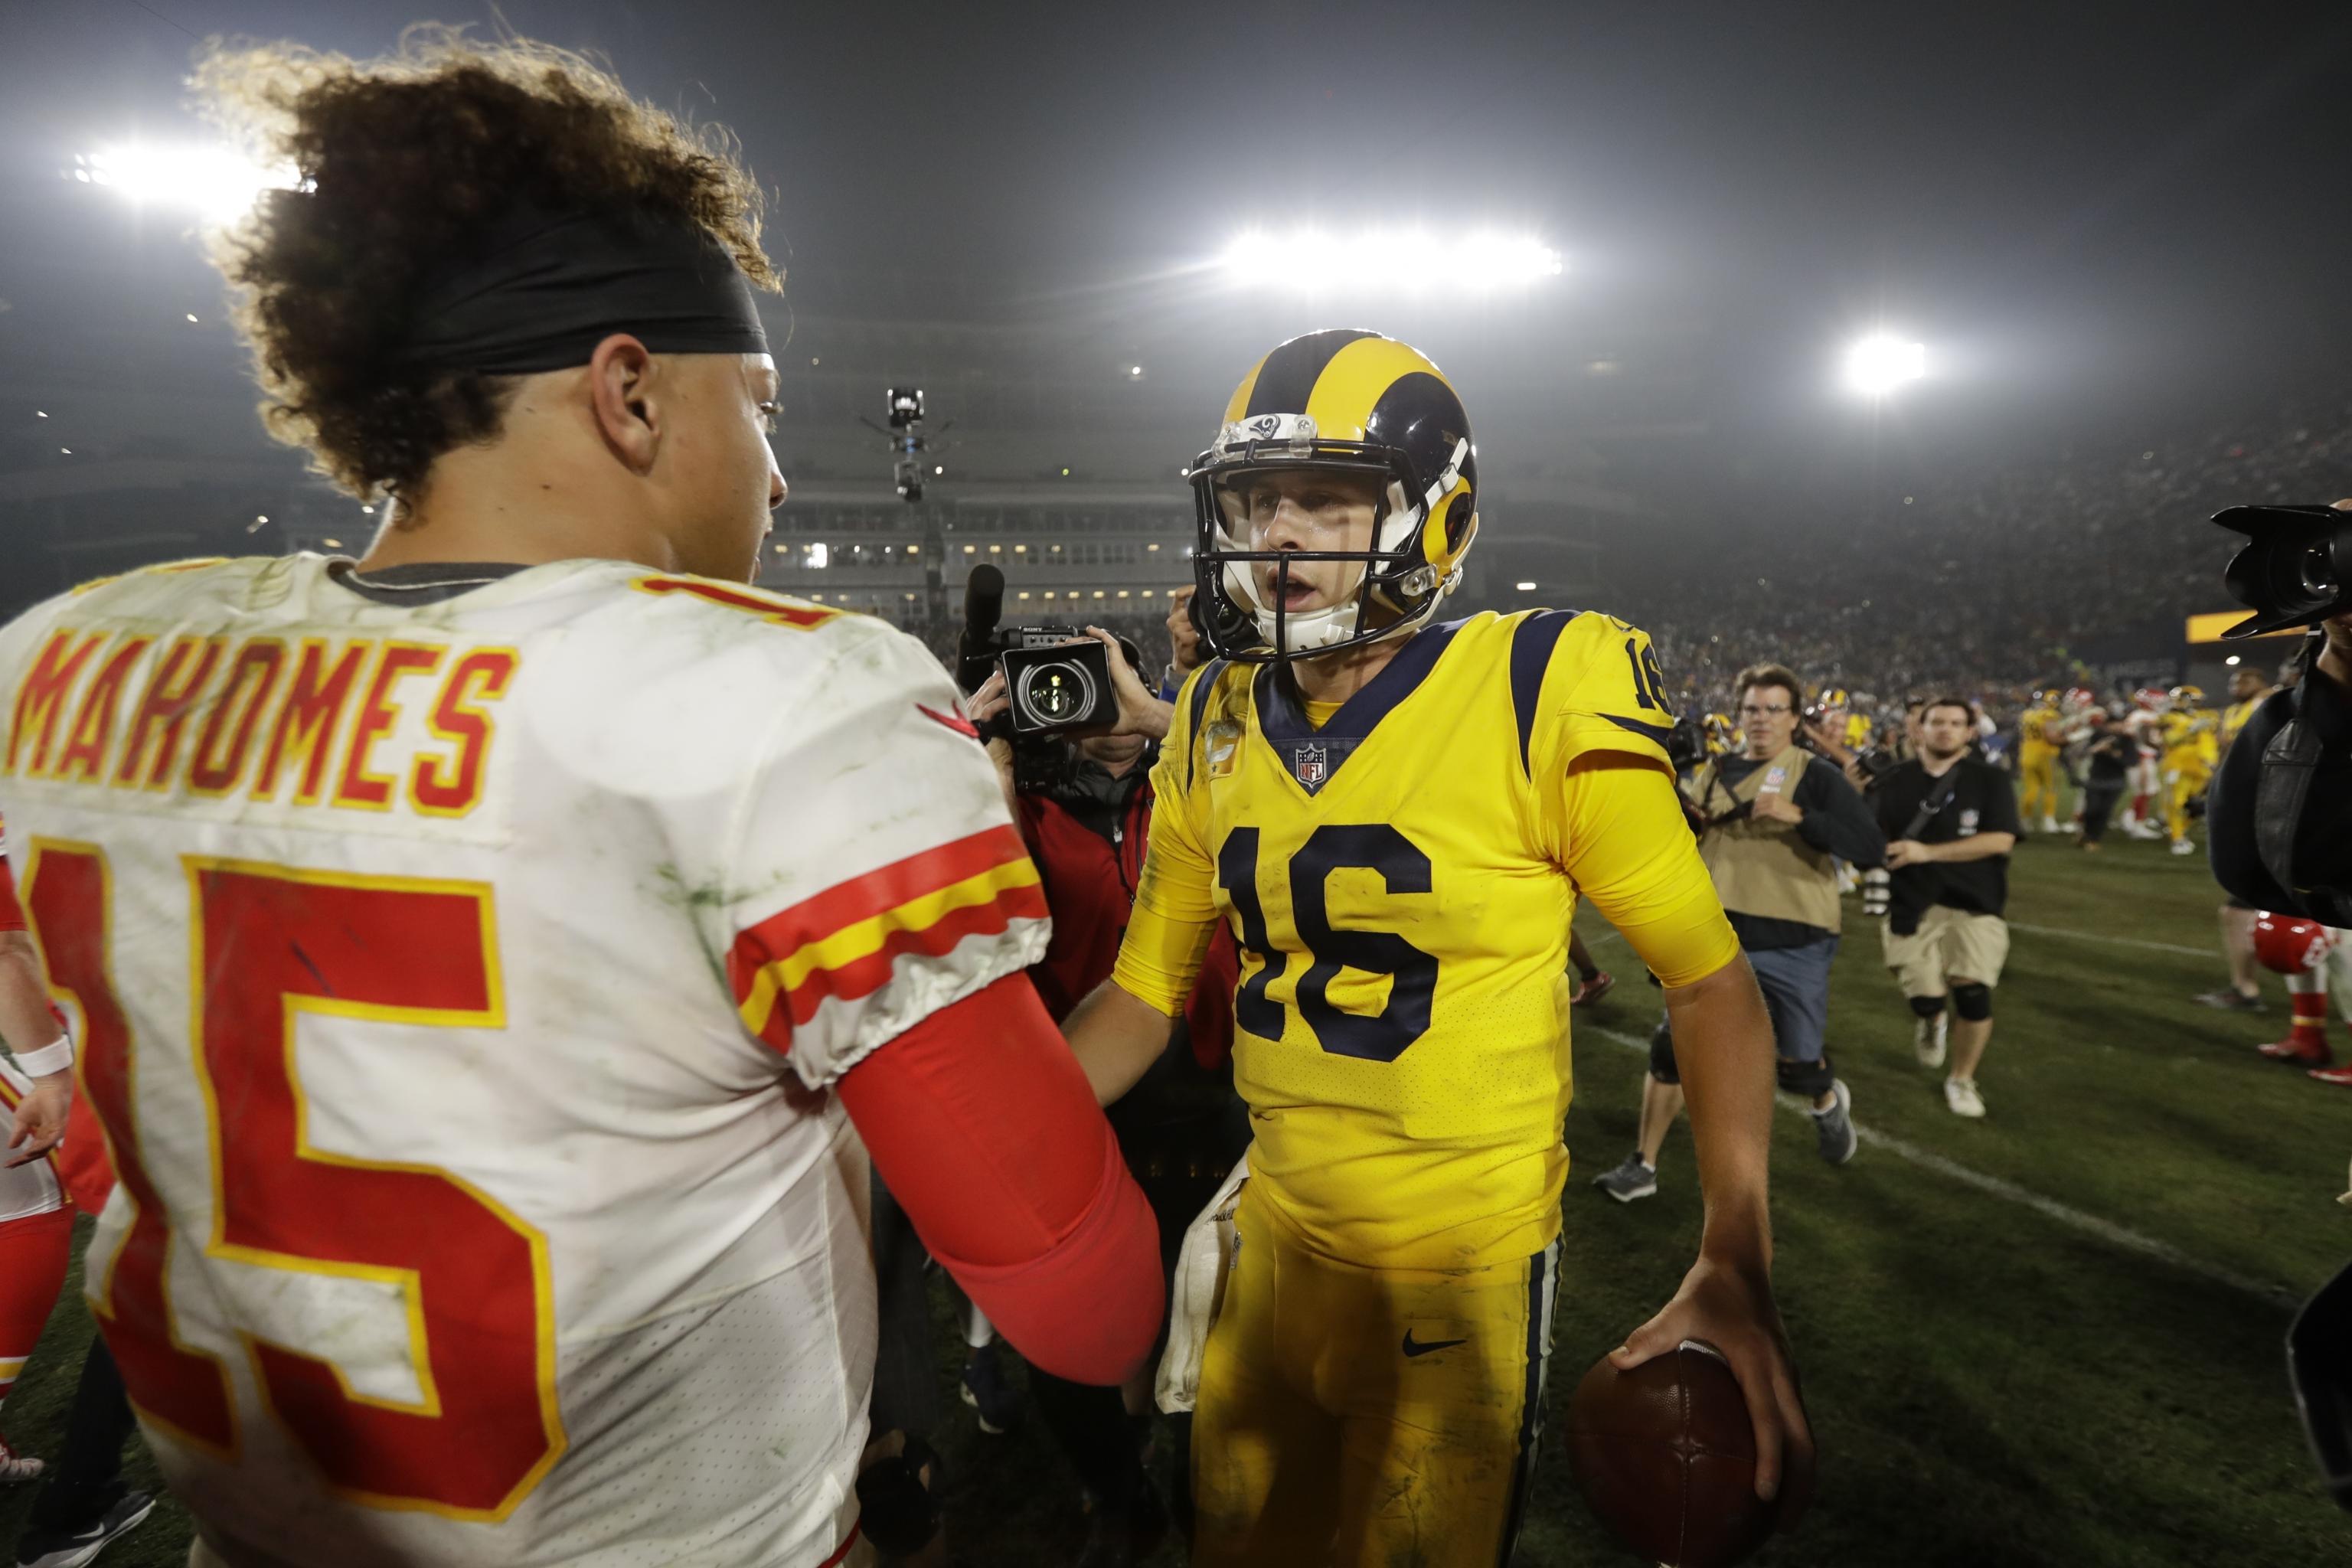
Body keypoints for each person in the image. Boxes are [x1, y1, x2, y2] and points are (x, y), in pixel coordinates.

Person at [0, 32, 1161, 1566]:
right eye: (753, 404)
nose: (779, 471)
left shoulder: (67, 659)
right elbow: (1081, 1304)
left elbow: (80, 1123)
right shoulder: (778, 698)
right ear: (629, 393)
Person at [1057, 330, 1813, 1566]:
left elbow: (1706, 974)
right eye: (1255, 502)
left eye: (1324, 499)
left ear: (1431, 513)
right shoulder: (1211, 713)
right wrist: (996, 1112)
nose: (1279, 535)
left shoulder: (1536, 685)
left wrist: (1733, 1241)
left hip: (1453, 1281)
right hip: (1273, 1242)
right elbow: (1140, 995)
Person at [1598, 662, 1886, 1200]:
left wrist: (1802, 816)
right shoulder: (1711, 773)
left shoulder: (1816, 775)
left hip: (1795, 938)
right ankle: (1643, 1165)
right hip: (1713, 935)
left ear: (1795, 718)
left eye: (1774, 709)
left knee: (1796, 1068)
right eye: (1752, 708)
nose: (1761, 719)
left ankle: (1824, 1100)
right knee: (1671, 1050)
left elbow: (1871, 848)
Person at [1873, 698, 2021, 1119]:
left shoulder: (1990, 779)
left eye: (1956, 724)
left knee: (1973, 993)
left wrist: (1926, 852)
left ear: (1969, 732)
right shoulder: (1894, 779)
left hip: (1975, 904)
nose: (1946, 730)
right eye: (1937, 722)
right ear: (1918, 729)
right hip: (1910, 904)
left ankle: (1961, 1078)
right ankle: (1932, 1019)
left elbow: (2001, 840)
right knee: (1924, 996)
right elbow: (1871, 834)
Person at [2198, 666, 2280, 1011]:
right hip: (2253, 810)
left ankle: (2246, 991)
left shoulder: (2271, 702)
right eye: (2232, 680)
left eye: (2243, 680)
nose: (2236, 685)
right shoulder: (2233, 712)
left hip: (2274, 813)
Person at [2076, 708, 2138, 849]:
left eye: (2120, 723)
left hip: (2115, 781)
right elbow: (2084, 753)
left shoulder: (2127, 740)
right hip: (2096, 779)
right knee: (2091, 810)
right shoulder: (2097, 736)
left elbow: (2132, 761)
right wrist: (2096, 749)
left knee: (2104, 811)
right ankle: (2085, 833)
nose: (2118, 726)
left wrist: (2113, 754)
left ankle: (2093, 839)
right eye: (2114, 723)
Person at [2015, 688, 2065, 832]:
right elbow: (2051, 738)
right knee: (2051, 788)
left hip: (2026, 755)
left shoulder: (2027, 715)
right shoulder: (2049, 715)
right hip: (2045, 755)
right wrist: (2070, 738)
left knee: (2030, 790)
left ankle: (2025, 820)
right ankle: (2048, 821)